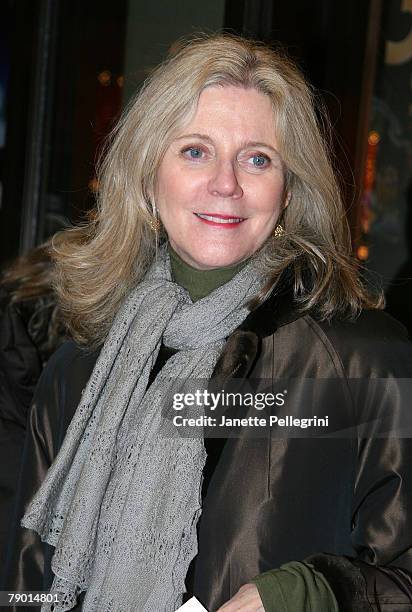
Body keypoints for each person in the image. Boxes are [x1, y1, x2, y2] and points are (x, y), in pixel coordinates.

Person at [4, 33, 412, 612]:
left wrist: (306, 594)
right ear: (149, 178)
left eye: (257, 159)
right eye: (195, 151)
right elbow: (27, 582)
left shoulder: (361, 362)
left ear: (288, 192)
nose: (226, 184)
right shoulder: (79, 368)